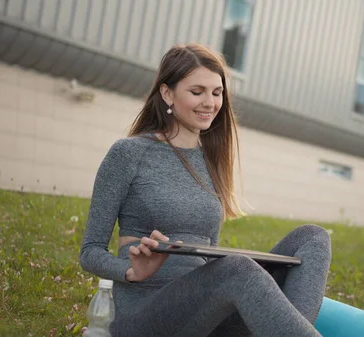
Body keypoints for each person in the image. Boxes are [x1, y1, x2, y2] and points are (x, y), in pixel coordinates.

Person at [79, 43, 332, 337]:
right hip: (146, 315)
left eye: (216, 92)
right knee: (238, 268)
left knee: (313, 238)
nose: (209, 103)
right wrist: (132, 272)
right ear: (166, 93)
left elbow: (210, 259)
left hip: (207, 315)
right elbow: (90, 252)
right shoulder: (129, 153)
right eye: (197, 92)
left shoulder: (211, 159)